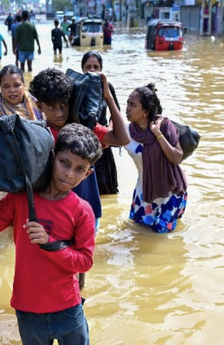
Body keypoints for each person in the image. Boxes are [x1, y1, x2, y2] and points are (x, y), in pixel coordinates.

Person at [0, 124, 103, 345]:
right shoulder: (21, 198)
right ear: (52, 157)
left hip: (68, 310)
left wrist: (50, 243)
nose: (69, 174)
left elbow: (85, 262)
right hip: (27, 311)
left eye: (79, 169)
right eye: (64, 163)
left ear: (88, 174)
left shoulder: (82, 210)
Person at [29, 68, 130, 290]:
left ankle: (79, 297)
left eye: (63, 105)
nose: (59, 113)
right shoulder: (37, 135)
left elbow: (122, 138)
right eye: (51, 107)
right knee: (53, 265)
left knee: (81, 264)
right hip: (54, 212)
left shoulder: (82, 130)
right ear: (39, 106)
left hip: (85, 208)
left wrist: (108, 98)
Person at [124, 83, 188, 233]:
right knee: (138, 234)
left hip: (170, 191)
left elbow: (177, 158)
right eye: (127, 103)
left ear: (145, 111)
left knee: (161, 236)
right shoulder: (127, 132)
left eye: (133, 105)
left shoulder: (164, 125)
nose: (127, 108)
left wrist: (157, 134)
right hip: (144, 191)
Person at [81, 51, 119, 195]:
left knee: (106, 191)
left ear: (101, 69)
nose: (92, 70)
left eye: (96, 67)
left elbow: (115, 113)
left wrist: (110, 131)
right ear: (82, 69)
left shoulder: (107, 87)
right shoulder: (77, 87)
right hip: (82, 145)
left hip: (103, 144)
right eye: (88, 67)